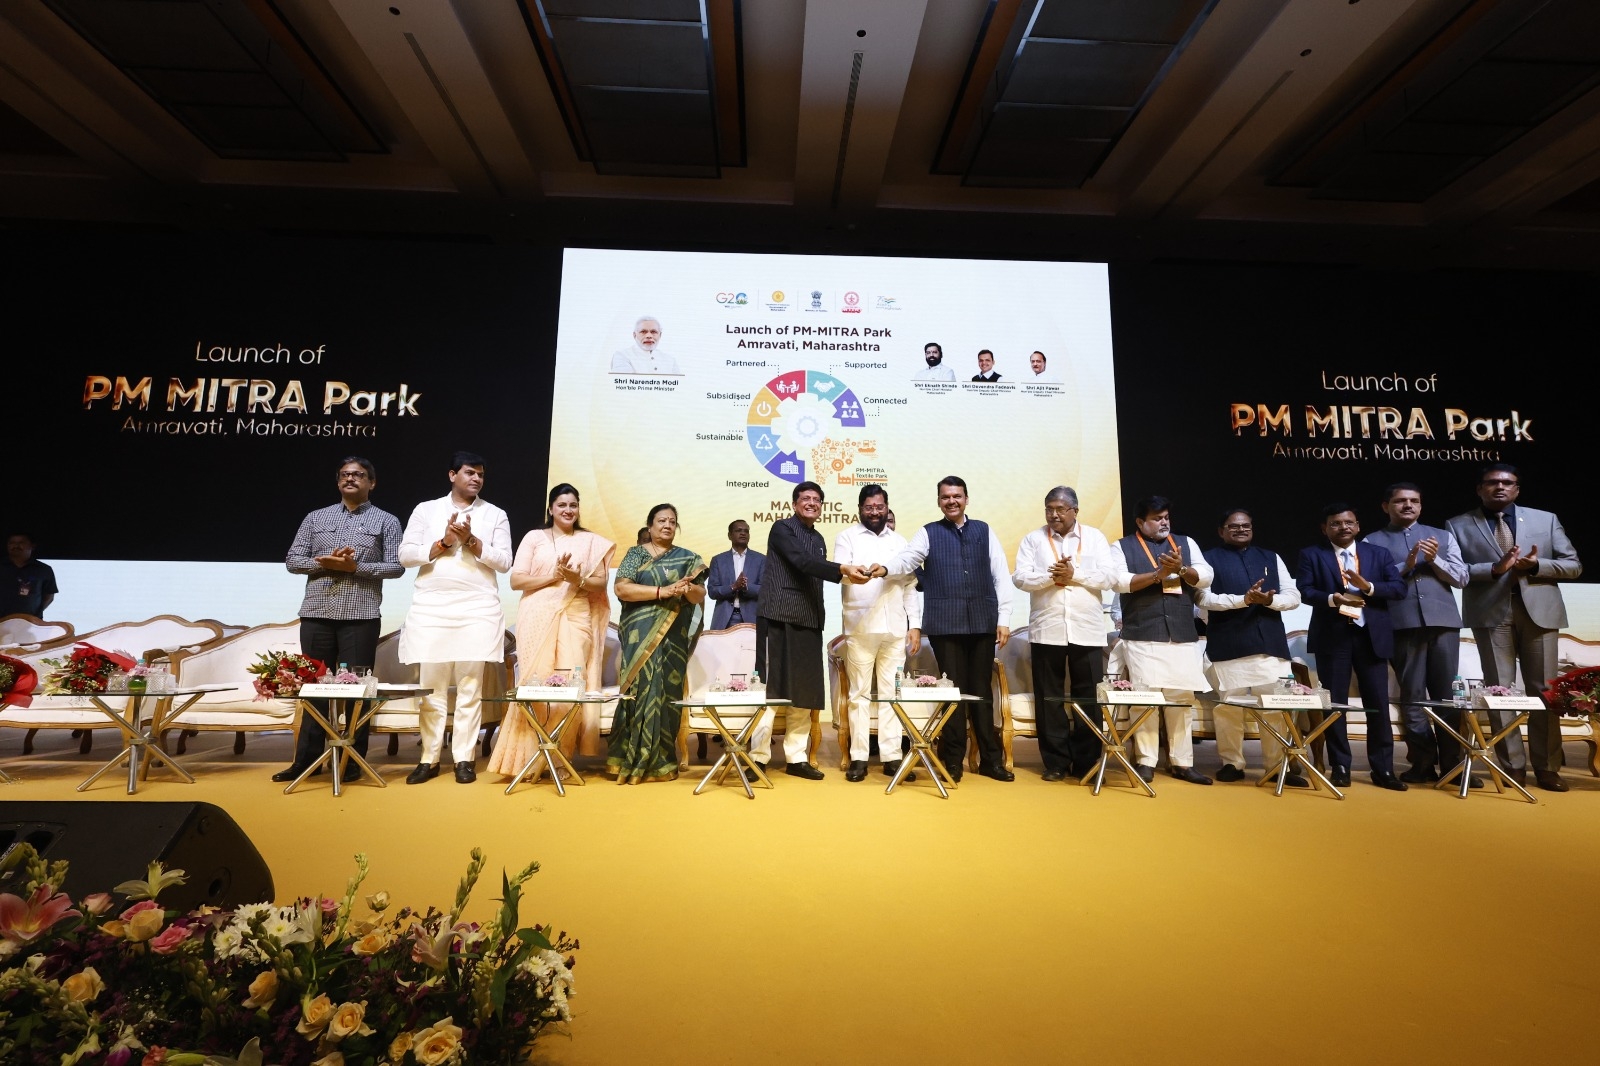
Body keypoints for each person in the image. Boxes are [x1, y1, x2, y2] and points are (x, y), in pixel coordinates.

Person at [1446, 463, 1583, 791]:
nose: (1500, 487)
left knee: (1544, 691)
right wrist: (1495, 568)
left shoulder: (1545, 519)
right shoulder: (1457, 524)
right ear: (1479, 489)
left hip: (1540, 612)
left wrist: (1536, 565)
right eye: (1492, 482)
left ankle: (1547, 767)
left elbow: (1573, 565)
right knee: (1499, 691)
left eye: (1507, 483)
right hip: (1490, 613)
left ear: (1517, 489)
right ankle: (1512, 766)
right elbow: (1456, 571)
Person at [275, 456, 403, 782]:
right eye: (345, 474)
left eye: (358, 474)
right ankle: (306, 760)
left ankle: (352, 760)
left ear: (371, 482)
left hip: (360, 615)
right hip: (316, 613)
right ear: (338, 481)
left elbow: (396, 566)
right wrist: (325, 563)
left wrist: (355, 568)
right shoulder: (316, 517)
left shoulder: (386, 521)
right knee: (313, 687)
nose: (350, 479)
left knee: (357, 690)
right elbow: (292, 560)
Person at [886, 476, 1014, 782]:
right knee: (952, 692)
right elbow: (908, 559)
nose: (951, 501)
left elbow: (1000, 573)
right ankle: (952, 760)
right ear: (939, 501)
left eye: (957, 496)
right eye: (946, 497)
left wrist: (1004, 617)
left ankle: (990, 760)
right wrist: (885, 568)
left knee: (981, 692)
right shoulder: (928, 532)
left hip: (982, 621)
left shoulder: (984, 530)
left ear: (966, 499)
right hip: (945, 624)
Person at [397, 452, 513, 785]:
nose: (476, 479)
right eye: (469, 473)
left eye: (480, 475)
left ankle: (464, 758)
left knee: (470, 688)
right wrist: (445, 542)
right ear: (452, 475)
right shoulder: (426, 509)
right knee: (432, 690)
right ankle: (429, 758)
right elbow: (405, 555)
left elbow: (505, 561)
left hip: (477, 608)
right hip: (432, 607)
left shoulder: (495, 514)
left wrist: (472, 541)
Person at [485, 484, 615, 780]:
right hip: (537, 616)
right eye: (562, 505)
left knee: (569, 687)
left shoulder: (591, 541)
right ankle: (527, 757)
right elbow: (517, 581)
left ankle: (559, 758)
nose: (568, 510)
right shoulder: (534, 538)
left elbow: (600, 584)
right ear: (551, 509)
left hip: (576, 616)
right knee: (536, 684)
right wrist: (554, 576)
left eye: (573, 505)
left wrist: (577, 579)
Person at [755, 482, 868, 779]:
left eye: (817, 500)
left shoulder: (817, 537)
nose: (812, 503)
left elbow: (814, 569)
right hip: (778, 617)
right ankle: (757, 758)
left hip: (808, 620)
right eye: (806, 498)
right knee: (771, 690)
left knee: (804, 693)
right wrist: (842, 569)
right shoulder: (782, 529)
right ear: (794, 504)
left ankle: (796, 758)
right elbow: (802, 562)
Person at [1365, 483, 1471, 785]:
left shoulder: (1443, 536)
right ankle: (1422, 763)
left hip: (1444, 623)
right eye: (1400, 501)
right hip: (1402, 625)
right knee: (1412, 696)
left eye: (1414, 501)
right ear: (1386, 506)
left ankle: (1453, 766)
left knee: (1447, 697)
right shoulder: (1372, 541)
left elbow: (1462, 578)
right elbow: (1370, 584)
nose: (1408, 505)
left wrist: (1434, 559)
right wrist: (1406, 565)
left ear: (1421, 506)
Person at [1296, 503, 1407, 791]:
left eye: (1348, 522)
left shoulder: (1378, 554)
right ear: (1325, 529)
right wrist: (1334, 599)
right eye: (1335, 523)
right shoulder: (1312, 554)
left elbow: (1398, 588)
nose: (1343, 527)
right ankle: (1340, 766)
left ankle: (1383, 769)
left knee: (1378, 705)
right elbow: (1305, 591)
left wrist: (1368, 587)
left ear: (1357, 526)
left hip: (1371, 636)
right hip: (1333, 636)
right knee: (1335, 705)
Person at [1106, 496, 1214, 785]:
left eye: (1166, 517)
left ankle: (1182, 763)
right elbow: (1119, 582)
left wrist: (1181, 570)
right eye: (1156, 518)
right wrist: (1158, 575)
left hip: (1182, 634)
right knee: (1145, 699)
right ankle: (1146, 761)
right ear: (1140, 522)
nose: (1164, 522)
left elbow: (1205, 576)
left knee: (1181, 700)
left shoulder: (1186, 543)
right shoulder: (1122, 546)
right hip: (1143, 633)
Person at [1011, 487, 1113, 782]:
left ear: (1075, 511)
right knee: (1049, 698)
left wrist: (1074, 575)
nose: (1053, 514)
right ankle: (1055, 762)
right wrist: (1051, 576)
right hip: (1047, 629)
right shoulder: (1033, 539)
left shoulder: (1095, 537)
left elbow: (1109, 577)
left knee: (1088, 698)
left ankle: (1087, 763)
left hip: (1087, 630)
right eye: (1049, 509)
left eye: (1060, 509)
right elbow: (1020, 578)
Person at [1197, 509, 1305, 786]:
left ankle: (1276, 766)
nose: (1241, 530)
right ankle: (1232, 763)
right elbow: (1203, 599)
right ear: (1221, 531)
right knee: (1228, 708)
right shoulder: (1208, 559)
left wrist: (1269, 601)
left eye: (1246, 525)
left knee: (1275, 707)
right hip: (1228, 644)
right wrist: (1242, 600)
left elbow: (1293, 596)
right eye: (1233, 526)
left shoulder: (1271, 557)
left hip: (1270, 645)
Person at [608, 503, 706, 783]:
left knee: (666, 693)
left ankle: (662, 761)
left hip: (672, 637)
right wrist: (663, 591)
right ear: (650, 526)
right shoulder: (635, 554)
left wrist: (687, 588)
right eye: (661, 521)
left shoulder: (688, 558)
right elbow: (622, 588)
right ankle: (627, 759)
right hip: (639, 634)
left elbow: (699, 595)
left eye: (672, 521)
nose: (667, 525)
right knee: (638, 691)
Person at [835, 485, 921, 781]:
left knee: (891, 694)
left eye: (880, 507)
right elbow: (840, 574)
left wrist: (915, 625)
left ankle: (892, 756)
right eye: (869, 507)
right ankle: (859, 757)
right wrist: (854, 574)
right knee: (859, 694)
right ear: (860, 509)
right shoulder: (847, 537)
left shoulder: (900, 541)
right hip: (860, 627)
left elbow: (909, 585)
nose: (875, 512)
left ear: (887, 508)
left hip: (895, 628)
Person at [708, 520, 765, 629]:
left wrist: (746, 587)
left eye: (746, 531)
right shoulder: (718, 560)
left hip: (752, 618)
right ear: (729, 535)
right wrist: (733, 587)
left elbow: (766, 590)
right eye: (739, 530)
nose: (743, 533)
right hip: (724, 619)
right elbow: (712, 591)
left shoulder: (761, 559)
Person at [5, 533, 57, 617]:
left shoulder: (44, 569)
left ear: (32, 546)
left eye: (21, 542)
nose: (16, 546)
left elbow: (49, 596)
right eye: (12, 543)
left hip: (31, 621)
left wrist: (36, 613)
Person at [608, 316, 681, 375]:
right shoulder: (622, 356)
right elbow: (624, 385)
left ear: (660, 335)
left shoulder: (670, 360)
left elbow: (677, 386)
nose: (649, 336)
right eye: (643, 332)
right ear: (634, 335)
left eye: (653, 332)